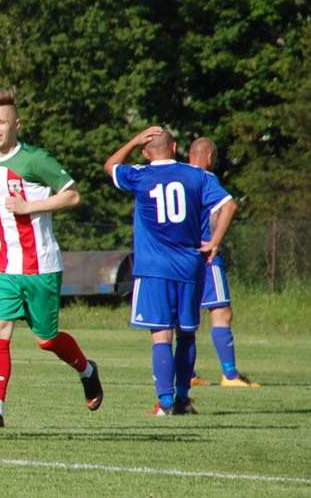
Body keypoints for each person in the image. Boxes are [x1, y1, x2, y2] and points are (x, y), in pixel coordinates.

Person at [0, 89, 103, 428]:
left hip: (41, 265)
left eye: (1, 122)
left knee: (47, 340)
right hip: (2, 264)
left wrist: (30, 207)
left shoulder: (36, 159)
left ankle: (86, 369)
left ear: (17, 124)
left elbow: (71, 195)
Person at [105, 126, 237, 415]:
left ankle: (164, 403)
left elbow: (110, 165)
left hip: (154, 268)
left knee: (161, 335)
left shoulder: (140, 175)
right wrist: (214, 241)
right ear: (175, 146)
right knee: (187, 334)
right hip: (190, 266)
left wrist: (134, 140)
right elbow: (229, 205)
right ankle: (182, 400)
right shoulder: (197, 176)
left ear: (145, 151)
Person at [188, 137, 260, 388]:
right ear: (209, 157)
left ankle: (187, 373)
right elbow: (228, 207)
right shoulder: (207, 179)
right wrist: (215, 241)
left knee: (184, 317)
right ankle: (229, 375)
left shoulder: (177, 176)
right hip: (205, 256)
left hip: (178, 257)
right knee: (221, 312)